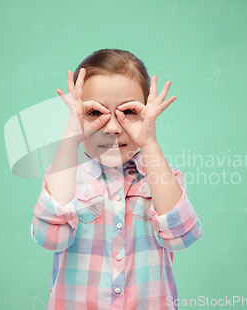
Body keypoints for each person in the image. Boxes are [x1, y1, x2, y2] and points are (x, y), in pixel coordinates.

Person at [31, 48, 202, 310]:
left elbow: (182, 237)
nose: (112, 127)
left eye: (129, 112)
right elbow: (50, 238)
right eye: (95, 113)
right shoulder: (64, 178)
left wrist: (149, 143)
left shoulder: (163, 177)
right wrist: (71, 137)